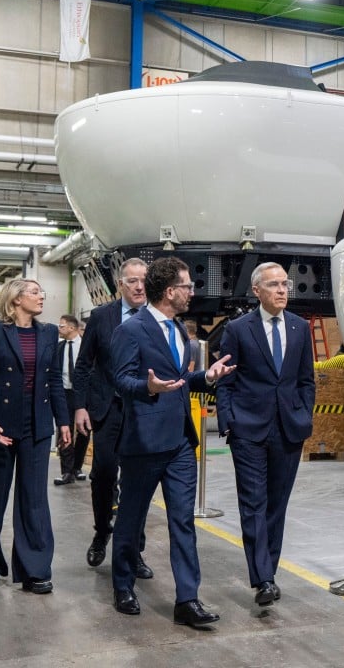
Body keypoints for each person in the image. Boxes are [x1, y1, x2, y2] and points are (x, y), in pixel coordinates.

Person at [110, 256, 235, 627]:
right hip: (144, 442)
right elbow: (121, 381)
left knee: (183, 521)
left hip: (181, 442)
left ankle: (187, 599)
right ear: (169, 292)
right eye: (187, 286)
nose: (191, 293)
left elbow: (180, 381)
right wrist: (147, 387)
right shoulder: (131, 331)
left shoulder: (180, 330)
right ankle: (123, 586)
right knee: (132, 519)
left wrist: (207, 378)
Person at [216, 262, 315, 607]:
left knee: (277, 505)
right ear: (257, 291)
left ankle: (267, 571)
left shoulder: (300, 328)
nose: (282, 290)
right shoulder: (238, 329)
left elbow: (306, 381)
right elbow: (225, 382)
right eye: (274, 285)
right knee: (253, 503)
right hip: (248, 430)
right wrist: (229, 422)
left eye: (285, 284)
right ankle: (264, 579)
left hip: (288, 429)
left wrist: (304, 416)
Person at [0, 278, 71, 593]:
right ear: (16, 299)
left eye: (42, 291)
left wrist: (62, 421)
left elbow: (54, 380)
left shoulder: (49, 332)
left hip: (37, 425)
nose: (41, 296)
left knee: (34, 499)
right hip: (0, 425)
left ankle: (34, 569)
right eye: (35, 292)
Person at [72, 258, 153, 578]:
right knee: (103, 475)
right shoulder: (101, 317)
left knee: (139, 480)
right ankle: (102, 531)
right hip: (107, 409)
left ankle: (134, 548)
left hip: (142, 410)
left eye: (143, 280)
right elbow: (83, 365)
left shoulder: (156, 318)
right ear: (120, 284)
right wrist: (80, 406)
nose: (138, 286)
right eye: (131, 280)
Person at [54, 315, 89, 485]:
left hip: (83, 393)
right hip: (64, 394)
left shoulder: (86, 346)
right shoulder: (59, 347)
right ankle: (66, 471)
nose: (59, 329)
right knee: (64, 430)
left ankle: (77, 467)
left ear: (72, 328)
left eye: (61, 326)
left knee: (84, 431)